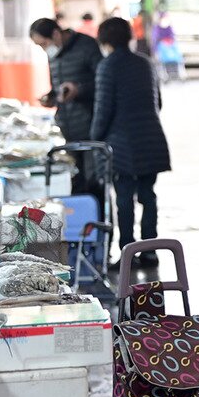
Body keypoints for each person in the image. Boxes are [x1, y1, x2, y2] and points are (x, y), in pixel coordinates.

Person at [90, 18, 171, 264]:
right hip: (151, 139)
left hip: (121, 144)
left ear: (104, 40)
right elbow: (158, 102)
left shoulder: (107, 66)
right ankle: (150, 250)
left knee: (124, 199)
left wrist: (94, 138)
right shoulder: (146, 63)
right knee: (148, 196)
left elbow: (103, 109)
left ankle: (128, 255)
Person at [29, 17, 102, 194]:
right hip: (68, 131)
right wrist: (51, 97)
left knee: (94, 182)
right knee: (75, 182)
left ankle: (98, 212)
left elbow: (104, 82)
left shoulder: (87, 46)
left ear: (56, 34)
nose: (44, 49)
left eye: (44, 44)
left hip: (91, 129)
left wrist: (79, 90)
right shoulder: (53, 56)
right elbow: (57, 88)